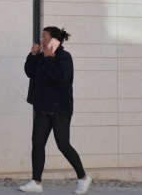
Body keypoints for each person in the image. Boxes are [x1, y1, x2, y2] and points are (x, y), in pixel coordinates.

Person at [19, 27, 92, 195]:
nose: (41, 41)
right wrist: (32, 56)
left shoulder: (64, 57)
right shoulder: (41, 56)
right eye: (42, 38)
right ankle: (36, 182)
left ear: (54, 41)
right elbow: (29, 72)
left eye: (44, 38)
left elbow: (61, 77)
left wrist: (50, 59)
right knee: (37, 143)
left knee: (63, 145)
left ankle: (83, 178)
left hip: (60, 109)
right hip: (43, 108)